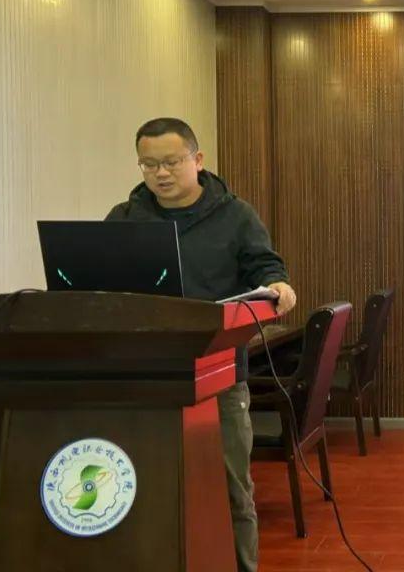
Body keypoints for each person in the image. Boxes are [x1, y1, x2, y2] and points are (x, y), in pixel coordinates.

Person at [106, 117, 294, 572]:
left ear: (198, 160)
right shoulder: (124, 219)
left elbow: (265, 266)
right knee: (146, 488)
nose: (160, 173)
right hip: (146, 376)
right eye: (148, 164)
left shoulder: (236, 215)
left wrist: (278, 285)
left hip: (219, 374)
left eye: (171, 162)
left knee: (231, 490)